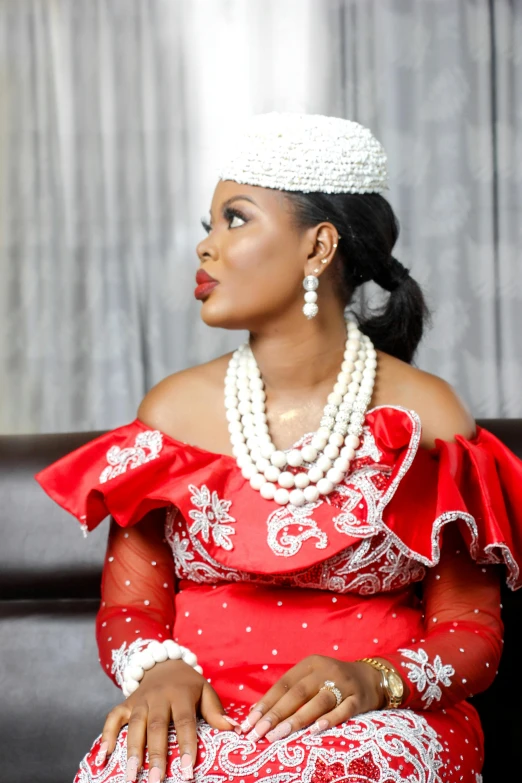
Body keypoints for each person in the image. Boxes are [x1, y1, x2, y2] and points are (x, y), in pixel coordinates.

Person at [36, 112, 522, 783]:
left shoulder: (428, 416)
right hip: (201, 714)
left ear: (318, 247)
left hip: (376, 719)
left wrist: (372, 680)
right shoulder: (171, 412)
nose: (205, 248)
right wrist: (160, 669)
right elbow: (130, 608)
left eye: (235, 219)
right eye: (210, 226)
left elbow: (472, 632)